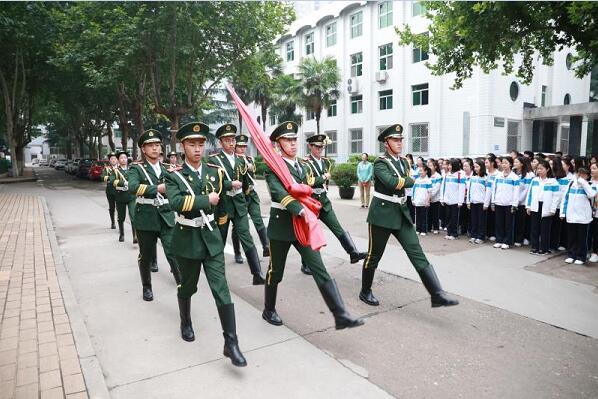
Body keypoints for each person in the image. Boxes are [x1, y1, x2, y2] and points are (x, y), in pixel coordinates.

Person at [262, 122, 364, 330]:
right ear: (278, 143)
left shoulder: (303, 165)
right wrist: (299, 209)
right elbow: (278, 193)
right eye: (287, 140)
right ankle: (269, 309)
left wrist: (309, 206)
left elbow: (309, 186)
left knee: (319, 268)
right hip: (282, 227)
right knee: (275, 272)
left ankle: (340, 314)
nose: (292, 144)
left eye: (293, 139)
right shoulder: (274, 167)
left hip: (302, 226)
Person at [165, 122, 246, 367]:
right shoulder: (173, 175)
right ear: (182, 146)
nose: (198, 149)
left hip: (211, 240)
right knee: (187, 287)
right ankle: (185, 320)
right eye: (192, 144)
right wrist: (204, 200)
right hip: (187, 240)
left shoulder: (215, 171)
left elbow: (220, 205)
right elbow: (176, 202)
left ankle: (231, 343)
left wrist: (220, 229)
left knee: (221, 289)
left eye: (201, 144)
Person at [359, 123, 458, 308]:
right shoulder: (380, 162)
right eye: (395, 140)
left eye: (400, 140)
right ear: (386, 143)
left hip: (401, 213)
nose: (399, 143)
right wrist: (409, 181)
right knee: (374, 256)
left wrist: (404, 182)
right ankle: (365, 291)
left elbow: (401, 182)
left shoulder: (404, 162)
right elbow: (391, 182)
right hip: (381, 214)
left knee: (416, 252)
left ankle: (436, 294)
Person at [127, 129, 181, 301]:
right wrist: (157, 188)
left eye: (157, 145)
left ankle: (181, 283)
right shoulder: (137, 168)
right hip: (146, 217)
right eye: (151, 146)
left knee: (173, 251)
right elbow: (133, 187)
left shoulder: (167, 168)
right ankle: (147, 287)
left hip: (166, 215)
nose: (155, 148)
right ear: (144, 149)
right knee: (146, 255)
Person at [301, 134, 366, 274]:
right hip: (310, 202)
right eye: (317, 147)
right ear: (310, 146)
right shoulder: (305, 163)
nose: (319, 149)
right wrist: (323, 177)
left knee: (337, 228)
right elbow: (308, 182)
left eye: (321, 147)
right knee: (310, 233)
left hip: (323, 200)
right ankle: (306, 264)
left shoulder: (325, 162)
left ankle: (353, 253)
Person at [209, 124, 265, 285]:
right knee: (220, 238)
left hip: (239, 204)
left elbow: (246, 184)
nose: (231, 143)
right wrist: (228, 184)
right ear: (221, 143)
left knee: (246, 236)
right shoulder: (214, 161)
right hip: (224, 206)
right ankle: (218, 274)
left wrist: (248, 200)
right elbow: (211, 184)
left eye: (233, 140)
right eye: (227, 140)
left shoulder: (242, 160)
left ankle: (257, 273)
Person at [230, 134, 270, 263]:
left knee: (258, 220)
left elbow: (252, 174)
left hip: (251, 194)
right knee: (238, 227)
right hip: (239, 196)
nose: (242, 149)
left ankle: (266, 246)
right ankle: (237, 252)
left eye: (244, 146)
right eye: (240, 146)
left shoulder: (249, 159)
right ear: (235, 147)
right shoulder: (233, 160)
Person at [561, 167, 596, 265]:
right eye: (578, 174)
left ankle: (581, 256)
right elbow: (565, 198)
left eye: (583, 174)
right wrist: (563, 212)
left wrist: (583, 183)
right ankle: (571, 255)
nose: (580, 176)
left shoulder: (589, 185)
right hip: (571, 215)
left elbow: (592, 194)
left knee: (582, 238)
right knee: (572, 237)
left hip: (583, 217)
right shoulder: (571, 184)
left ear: (587, 176)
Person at [526, 158, 559, 255]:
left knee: (545, 229)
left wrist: (553, 209)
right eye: (538, 169)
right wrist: (528, 206)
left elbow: (556, 197)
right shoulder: (535, 180)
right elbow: (530, 194)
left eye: (541, 169)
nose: (539, 171)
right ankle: (534, 247)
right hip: (536, 206)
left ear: (547, 169)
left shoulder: (553, 182)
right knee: (534, 228)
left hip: (547, 207)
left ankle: (544, 249)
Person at [491, 157, 519, 249]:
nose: (504, 165)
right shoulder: (498, 176)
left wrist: (514, 204)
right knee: (499, 223)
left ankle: (507, 241)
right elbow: (494, 189)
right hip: (499, 202)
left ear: (510, 164)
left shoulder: (514, 177)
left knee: (508, 223)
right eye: (502, 163)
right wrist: (493, 202)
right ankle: (499, 240)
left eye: (506, 163)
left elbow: (516, 192)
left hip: (509, 204)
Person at [110, 151, 137, 243]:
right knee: (121, 217)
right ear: (118, 160)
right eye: (121, 158)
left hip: (131, 196)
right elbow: (112, 181)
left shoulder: (132, 169)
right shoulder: (116, 170)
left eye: (125, 157)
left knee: (133, 216)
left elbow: (136, 180)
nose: (123, 159)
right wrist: (123, 183)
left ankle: (135, 236)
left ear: (127, 159)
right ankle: (122, 234)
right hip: (120, 196)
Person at [441, 158, 465, 240]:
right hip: (447, 200)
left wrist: (460, 201)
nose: (449, 166)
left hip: (455, 201)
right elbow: (443, 187)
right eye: (449, 165)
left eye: (450, 165)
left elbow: (462, 189)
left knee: (454, 218)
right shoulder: (447, 175)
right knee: (448, 217)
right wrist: (442, 198)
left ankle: (454, 234)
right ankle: (449, 232)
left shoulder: (460, 175)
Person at [514, 156, 534, 247]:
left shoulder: (528, 175)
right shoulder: (513, 174)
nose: (514, 164)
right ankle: (516, 238)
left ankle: (522, 238)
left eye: (516, 162)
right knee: (516, 222)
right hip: (514, 202)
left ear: (522, 164)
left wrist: (518, 200)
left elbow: (526, 190)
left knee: (522, 222)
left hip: (522, 203)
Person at [467, 160, 488, 244]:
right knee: (474, 220)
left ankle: (481, 236)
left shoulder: (486, 178)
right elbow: (469, 190)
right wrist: (468, 201)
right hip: (473, 202)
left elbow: (488, 192)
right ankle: (473, 235)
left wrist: (486, 203)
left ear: (482, 167)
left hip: (481, 203)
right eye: (474, 167)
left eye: (477, 167)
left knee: (481, 221)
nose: (475, 169)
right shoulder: (472, 178)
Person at [550, 158, 569, 251]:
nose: (549, 166)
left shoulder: (565, 179)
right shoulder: (550, 178)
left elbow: (562, 195)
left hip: (558, 207)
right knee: (551, 227)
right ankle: (550, 244)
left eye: (551, 164)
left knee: (557, 228)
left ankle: (557, 244)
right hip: (549, 206)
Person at [412, 164, 432, 235]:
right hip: (417, 201)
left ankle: (424, 230)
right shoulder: (417, 180)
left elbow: (430, 192)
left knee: (424, 217)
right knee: (418, 216)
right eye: (419, 171)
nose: (420, 172)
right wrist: (413, 199)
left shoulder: (428, 180)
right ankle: (418, 229)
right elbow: (413, 190)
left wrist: (427, 201)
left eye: (421, 171)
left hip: (424, 202)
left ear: (426, 171)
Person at [484, 154, 499, 241]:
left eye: (487, 162)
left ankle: (493, 233)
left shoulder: (498, 174)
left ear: (492, 163)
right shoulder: (485, 173)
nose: (485, 164)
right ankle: (486, 233)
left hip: (493, 199)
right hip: (484, 198)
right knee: (486, 217)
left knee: (493, 217)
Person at [102, 152, 118, 229]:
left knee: (119, 208)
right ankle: (113, 222)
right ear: (109, 160)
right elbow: (103, 177)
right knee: (112, 207)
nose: (113, 160)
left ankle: (120, 223)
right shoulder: (107, 169)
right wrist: (111, 178)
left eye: (115, 158)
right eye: (112, 159)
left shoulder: (121, 168)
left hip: (119, 191)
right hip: (110, 191)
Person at [426, 158, 442, 234]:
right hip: (427, 199)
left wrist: (430, 196)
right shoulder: (427, 176)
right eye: (428, 166)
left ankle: (436, 228)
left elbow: (436, 189)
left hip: (435, 199)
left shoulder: (438, 176)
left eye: (431, 166)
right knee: (428, 214)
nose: (429, 167)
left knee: (435, 214)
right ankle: (428, 227)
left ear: (435, 167)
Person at [589, 163, 598, 262]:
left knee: (596, 233)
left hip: (597, 212)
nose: (592, 170)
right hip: (588, 211)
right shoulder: (589, 182)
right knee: (589, 232)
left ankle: (595, 252)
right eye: (591, 168)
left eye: (594, 168)